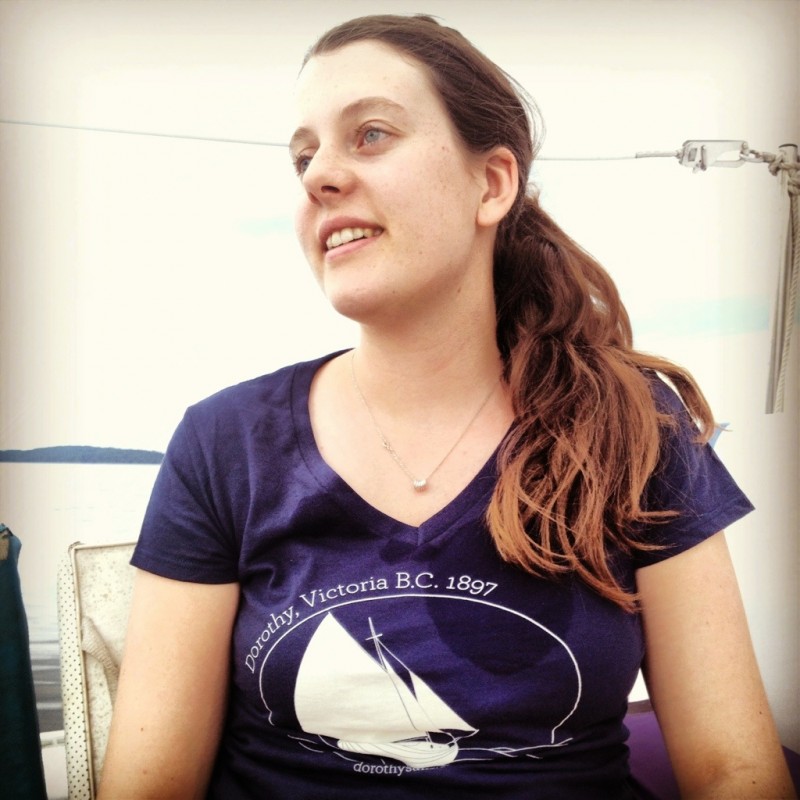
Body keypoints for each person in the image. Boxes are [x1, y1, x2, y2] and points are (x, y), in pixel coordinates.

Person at [99, 13, 795, 799]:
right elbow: (151, 783)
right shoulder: (223, 443)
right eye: (303, 155)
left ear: (491, 184)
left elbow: (733, 769)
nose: (319, 176)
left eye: (369, 135)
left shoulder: (634, 426)